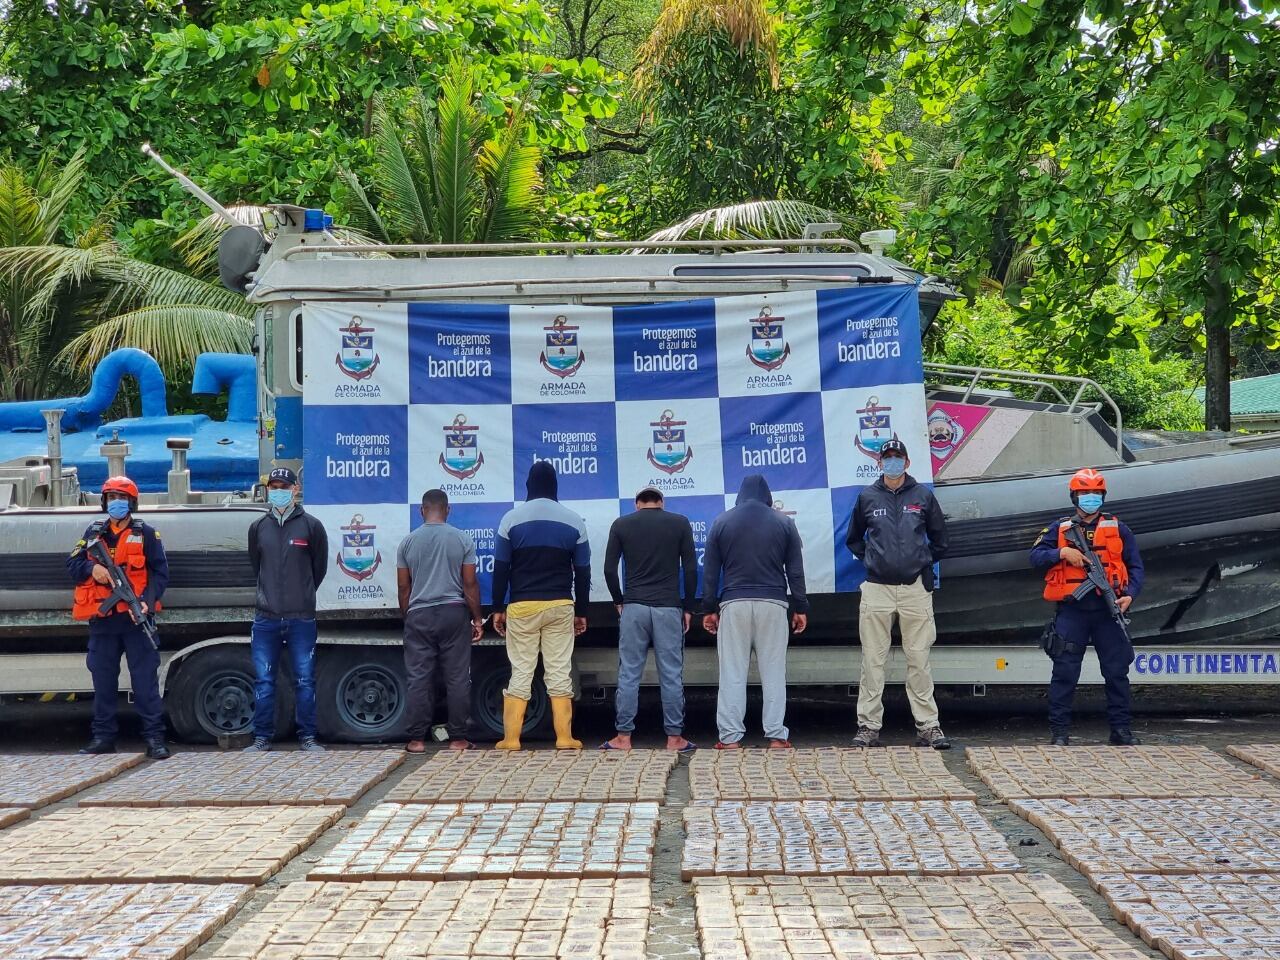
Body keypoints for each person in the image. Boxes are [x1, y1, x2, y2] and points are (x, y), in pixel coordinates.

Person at [846, 438, 951, 750]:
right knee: (872, 661)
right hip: (876, 589)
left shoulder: (923, 496)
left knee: (919, 660)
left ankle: (928, 727)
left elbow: (940, 539)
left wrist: (920, 561)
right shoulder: (867, 497)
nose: (892, 461)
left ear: (906, 462)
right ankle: (868, 727)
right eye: (887, 457)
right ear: (879, 462)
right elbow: (853, 538)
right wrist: (873, 560)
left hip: (915, 589)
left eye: (897, 456)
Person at [1030, 468, 1144, 746]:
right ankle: (1059, 733)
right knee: (1065, 672)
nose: (1089, 498)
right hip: (1072, 611)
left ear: (1102, 496)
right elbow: (1034, 556)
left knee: (1117, 672)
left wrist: (1130, 594)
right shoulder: (1059, 528)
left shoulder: (1119, 528)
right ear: (1074, 496)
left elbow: (1136, 567)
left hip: (1109, 610)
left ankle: (1121, 731)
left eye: (1095, 493)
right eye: (1084, 493)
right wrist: (1062, 553)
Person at [67, 475, 171, 759]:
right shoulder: (93, 533)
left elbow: (161, 574)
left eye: (122, 498)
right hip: (103, 622)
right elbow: (73, 564)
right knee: (103, 682)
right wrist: (93, 571)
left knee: (145, 683)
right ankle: (103, 738)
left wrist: (147, 603)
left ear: (132, 502)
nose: (116, 503)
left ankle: (154, 739)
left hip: (136, 621)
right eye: (111, 497)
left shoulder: (147, 534)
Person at [702, 474, 808, 750]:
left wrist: (709, 609)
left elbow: (711, 572)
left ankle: (730, 738)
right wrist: (800, 607)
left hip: (734, 603)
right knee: (774, 672)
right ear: (767, 495)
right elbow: (795, 571)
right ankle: (776, 736)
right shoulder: (784, 522)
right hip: (773, 604)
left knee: (732, 673)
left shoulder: (722, 522)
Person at [491, 462, 590, 750]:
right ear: (555, 485)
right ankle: (564, 738)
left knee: (521, 670)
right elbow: (583, 571)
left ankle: (510, 739)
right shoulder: (574, 521)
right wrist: (581, 611)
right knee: (559, 671)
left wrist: (498, 607)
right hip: (560, 605)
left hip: (522, 606)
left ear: (529, 486)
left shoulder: (510, 519)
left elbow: (501, 568)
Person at [602, 487, 698, 752]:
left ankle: (623, 738)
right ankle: (674, 738)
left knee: (629, 673)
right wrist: (688, 607)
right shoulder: (679, 523)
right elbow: (690, 569)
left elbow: (610, 569)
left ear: (637, 504)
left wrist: (618, 600)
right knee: (671, 674)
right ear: (661, 503)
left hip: (634, 606)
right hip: (668, 607)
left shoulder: (621, 524)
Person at [244, 467, 329, 752]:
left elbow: (319, 569)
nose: (278, 491)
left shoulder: (311, 526)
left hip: (301, 619)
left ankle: (307, 737)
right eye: (273, 486)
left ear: (295, 489)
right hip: (266, 619)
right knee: (264, 681)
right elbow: (257, 567)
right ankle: (261, 738)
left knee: (304, 681)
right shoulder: (258, 527)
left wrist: (301, 596)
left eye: (284, 486)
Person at [397, 489, 484, 752]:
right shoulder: (462, 539)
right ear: (448, 510)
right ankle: (458, 739)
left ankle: (416, 740)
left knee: (419, 677)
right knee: (457, 677)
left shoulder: (407, 542)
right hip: (453, 613)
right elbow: (470, 584)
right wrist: (477, 619)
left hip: (419, 614)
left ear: (421, 511)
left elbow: (403, 588)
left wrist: (408, 616)